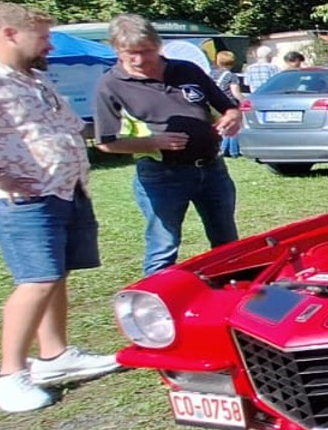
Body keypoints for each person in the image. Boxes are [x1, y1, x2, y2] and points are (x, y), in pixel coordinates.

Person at [0, 2, 120, 412]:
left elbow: (62, 127)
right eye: (42, 37)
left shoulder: (33, 78)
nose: (49, 45)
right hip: (22, 198)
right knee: (37, 279)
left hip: (62, 190)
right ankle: (8, 376)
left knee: (55, 274)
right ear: (9, 33)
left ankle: (54, 355)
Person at [94, 14, 244, 276]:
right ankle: (156, 298)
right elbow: (106, 143)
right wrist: (152, 142)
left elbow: (228, 106)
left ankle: (231, 291)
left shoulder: (186, 70)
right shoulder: (111, 85)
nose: (139, 60)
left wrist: (233, 116)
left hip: (212, 170)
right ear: (116, 49)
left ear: (158, 44)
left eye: (146, 51)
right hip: (162, 175)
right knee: (163, 246)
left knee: (227, 242)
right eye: (130, 53)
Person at [212, 51, 244, 158]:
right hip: (228, 104)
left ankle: (221, 149)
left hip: (214, 104)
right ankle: (233, 151)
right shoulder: (231, 76)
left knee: (221, 127)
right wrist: (245, 100)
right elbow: (235, 93)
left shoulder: (211, 74)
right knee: (233, 128)